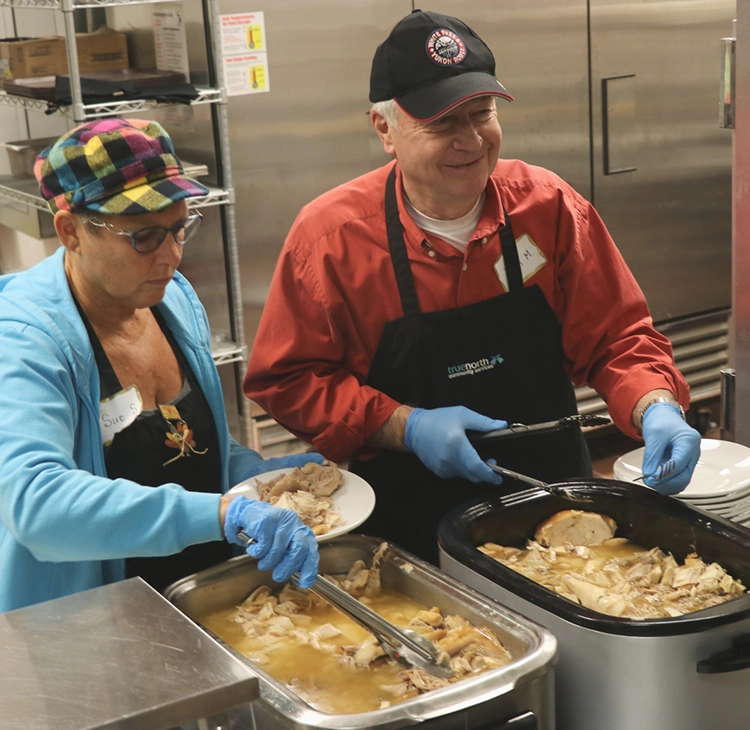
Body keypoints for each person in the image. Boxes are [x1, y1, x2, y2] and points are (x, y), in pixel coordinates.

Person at [244, 10, 701, 563]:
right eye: (441, 125)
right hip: (405, 531)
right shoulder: (330, 241)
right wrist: (405, 426)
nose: (471, 140)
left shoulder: (548, 206)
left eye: (481, 114)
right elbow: (287, 381)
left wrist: (655, 404)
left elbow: (616, 337)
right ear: (384, 129)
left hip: (556, 512)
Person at [0, 118, 322, 614]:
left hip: (203, 598)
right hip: (96, 621)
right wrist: (221, 512)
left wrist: (254, 477)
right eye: (145, 237)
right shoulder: (27, 338)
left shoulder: (172, 299)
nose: (171, 256)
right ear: (71, 232)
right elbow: (38, 505)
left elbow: (186, 445)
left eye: (179, 228)